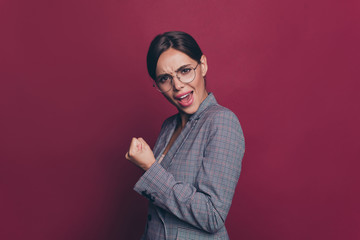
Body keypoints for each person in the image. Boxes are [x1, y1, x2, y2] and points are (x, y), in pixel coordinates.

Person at [125, 31, 245, 240]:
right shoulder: (168, 126)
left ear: (203, 65)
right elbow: (160, 216)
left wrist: (150, 168)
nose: (178, 85)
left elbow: (212, 215)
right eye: (165, 79)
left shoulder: (222, 121)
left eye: (185, 70)